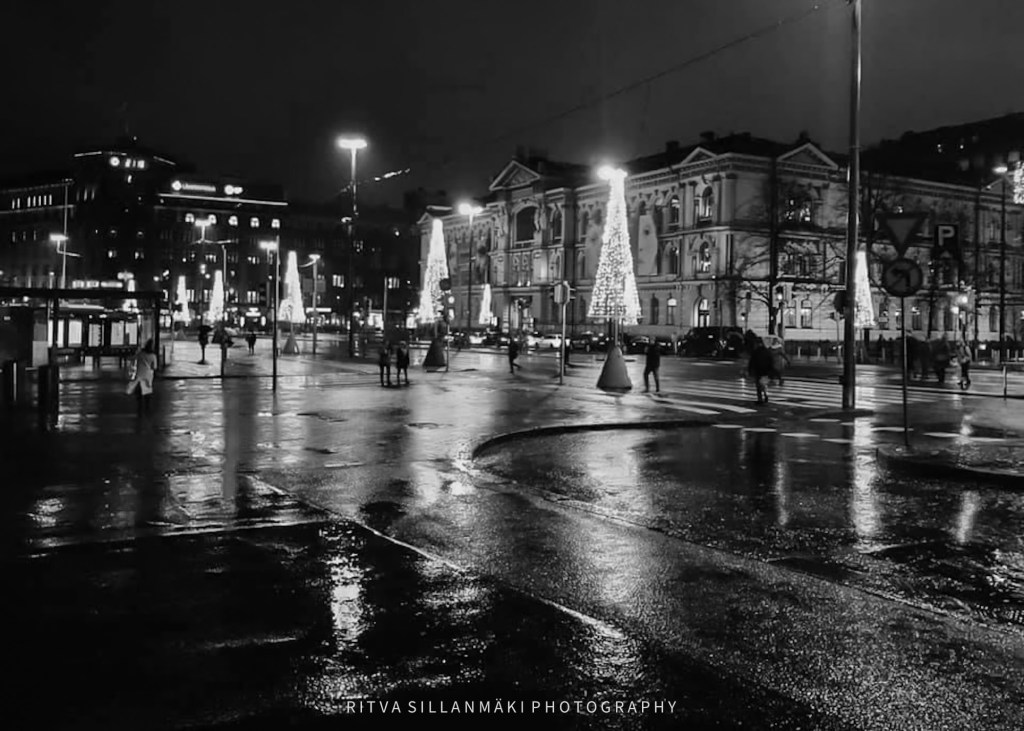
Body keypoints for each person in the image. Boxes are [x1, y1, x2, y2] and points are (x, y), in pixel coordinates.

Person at [126, 338, 158, 415]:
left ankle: (139, 410)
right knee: (147, 393)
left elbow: (132, 358)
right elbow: (154, 367)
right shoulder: (153, 356)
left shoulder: (140, 354)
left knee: (139, 394)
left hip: (139, 375)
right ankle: (147, 410)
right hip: (148, 377)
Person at [748, 339, 774, 404]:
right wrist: (771, 369)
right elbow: (771, 360)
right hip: (766, 370)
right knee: (764, 384)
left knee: (758, 385)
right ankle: (766, 395)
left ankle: (760, 399)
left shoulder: (756, 351)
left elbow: (752, 361)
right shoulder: (766, 351)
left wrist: (750, 370)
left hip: (758, 370)